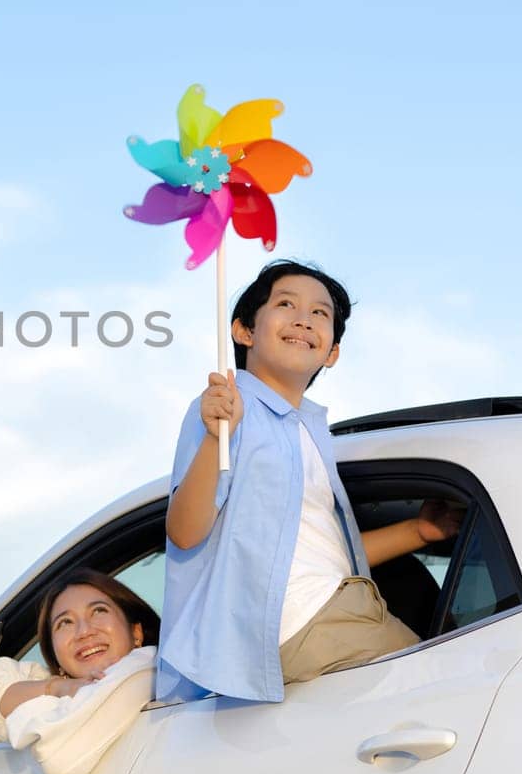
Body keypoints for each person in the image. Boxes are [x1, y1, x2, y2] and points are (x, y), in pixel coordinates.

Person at [158, 261, 463, 704]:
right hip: (302, 620)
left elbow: (320, 556)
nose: (304, 318)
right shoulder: (227, 408)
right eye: (285, 304)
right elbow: (185, 531)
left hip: (334, 608)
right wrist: (213, 435)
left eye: (320, 314)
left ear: (332, 352)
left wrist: (418, 532)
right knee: (451, 689)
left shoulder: (311, 429)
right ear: (244, 331)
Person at [0, 567, 160, 774]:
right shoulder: (62, 690)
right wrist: (59, 688)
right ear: (54, 655)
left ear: (136, 632)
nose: (84, 631)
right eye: (65, 623)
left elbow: (59, 760)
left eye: (99, 611)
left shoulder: (145, 667)